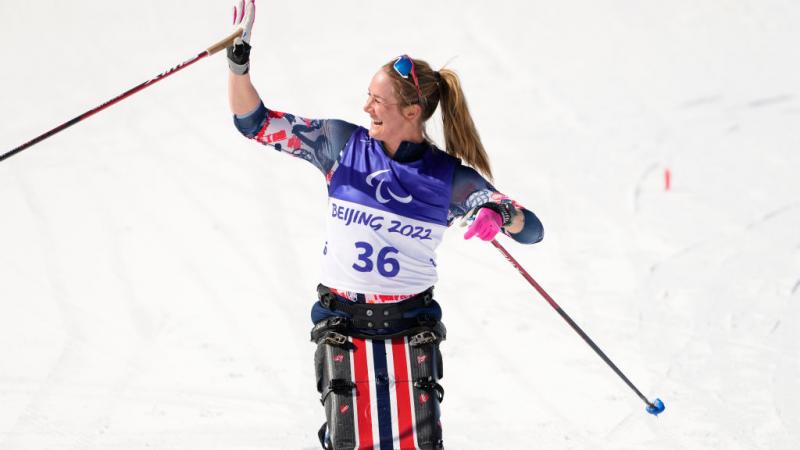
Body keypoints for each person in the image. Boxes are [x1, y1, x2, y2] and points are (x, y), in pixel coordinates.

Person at [226, 1, 543, 448]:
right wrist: (238, 66)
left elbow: (531, 229)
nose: (366, 106)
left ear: (412, 112)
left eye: (378, 100)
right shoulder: (339, 145)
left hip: (410, 326)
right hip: (342, 320)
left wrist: (500, 214)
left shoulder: (446, 178)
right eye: (368, 96)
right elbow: (254, 124)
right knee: (349, 440)